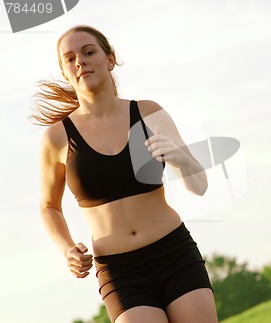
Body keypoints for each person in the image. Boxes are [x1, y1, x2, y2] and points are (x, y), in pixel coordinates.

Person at [33, 25, 218, 323]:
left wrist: (180, 158)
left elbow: (200, 186)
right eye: (70, 59)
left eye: (89, 52)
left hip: (174, 252)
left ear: (110, 59)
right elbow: (48, 206)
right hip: (120, 272)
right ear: (66, 72)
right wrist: (67, 248)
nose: (80, 61)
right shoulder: (56, 138)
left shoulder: (147, 112)